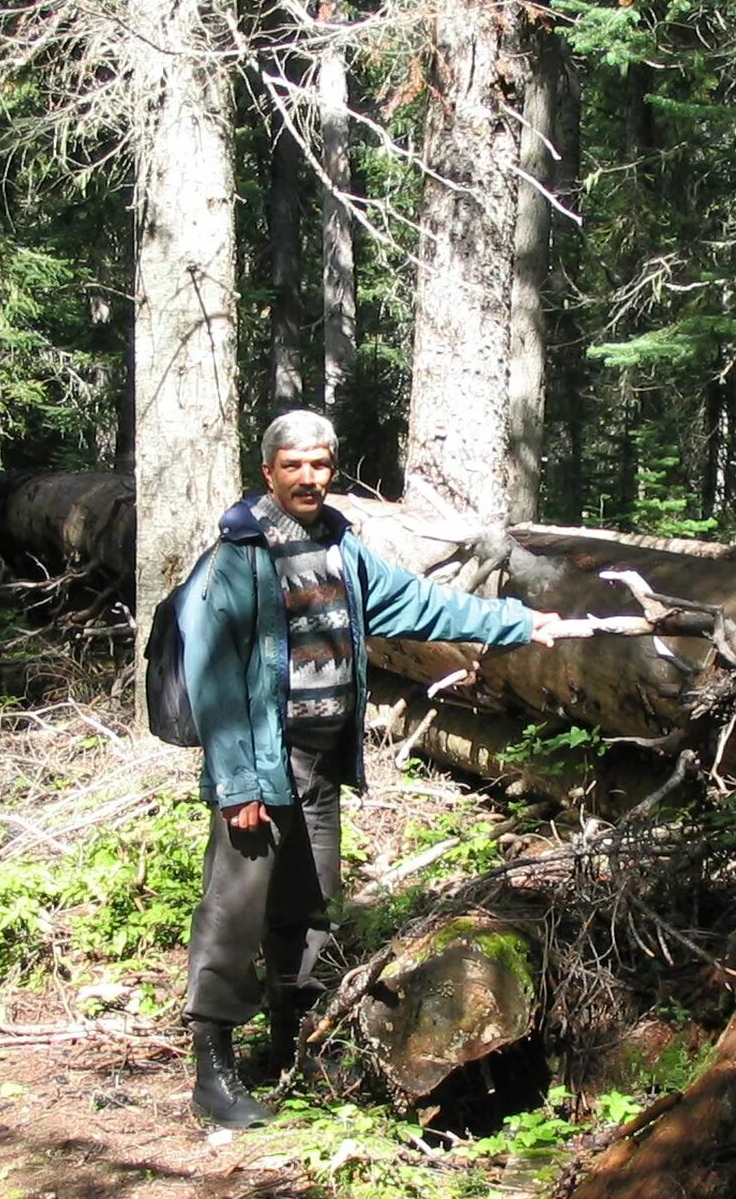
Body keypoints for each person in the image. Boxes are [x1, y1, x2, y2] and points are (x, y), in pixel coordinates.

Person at [175, 410, 564, 1127]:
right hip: (259, 770)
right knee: (234, 912)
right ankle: (214, 1071)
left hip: (319, 767)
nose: (309, 477)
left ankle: (287, 1049)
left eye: (320, 464)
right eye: (294, 465)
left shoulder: (339, 549)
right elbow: (214, 681)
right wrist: (236, 785)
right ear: (269, 471)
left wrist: (515, 623)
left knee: (311, 907)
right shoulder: (237, 558)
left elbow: (420, 603)